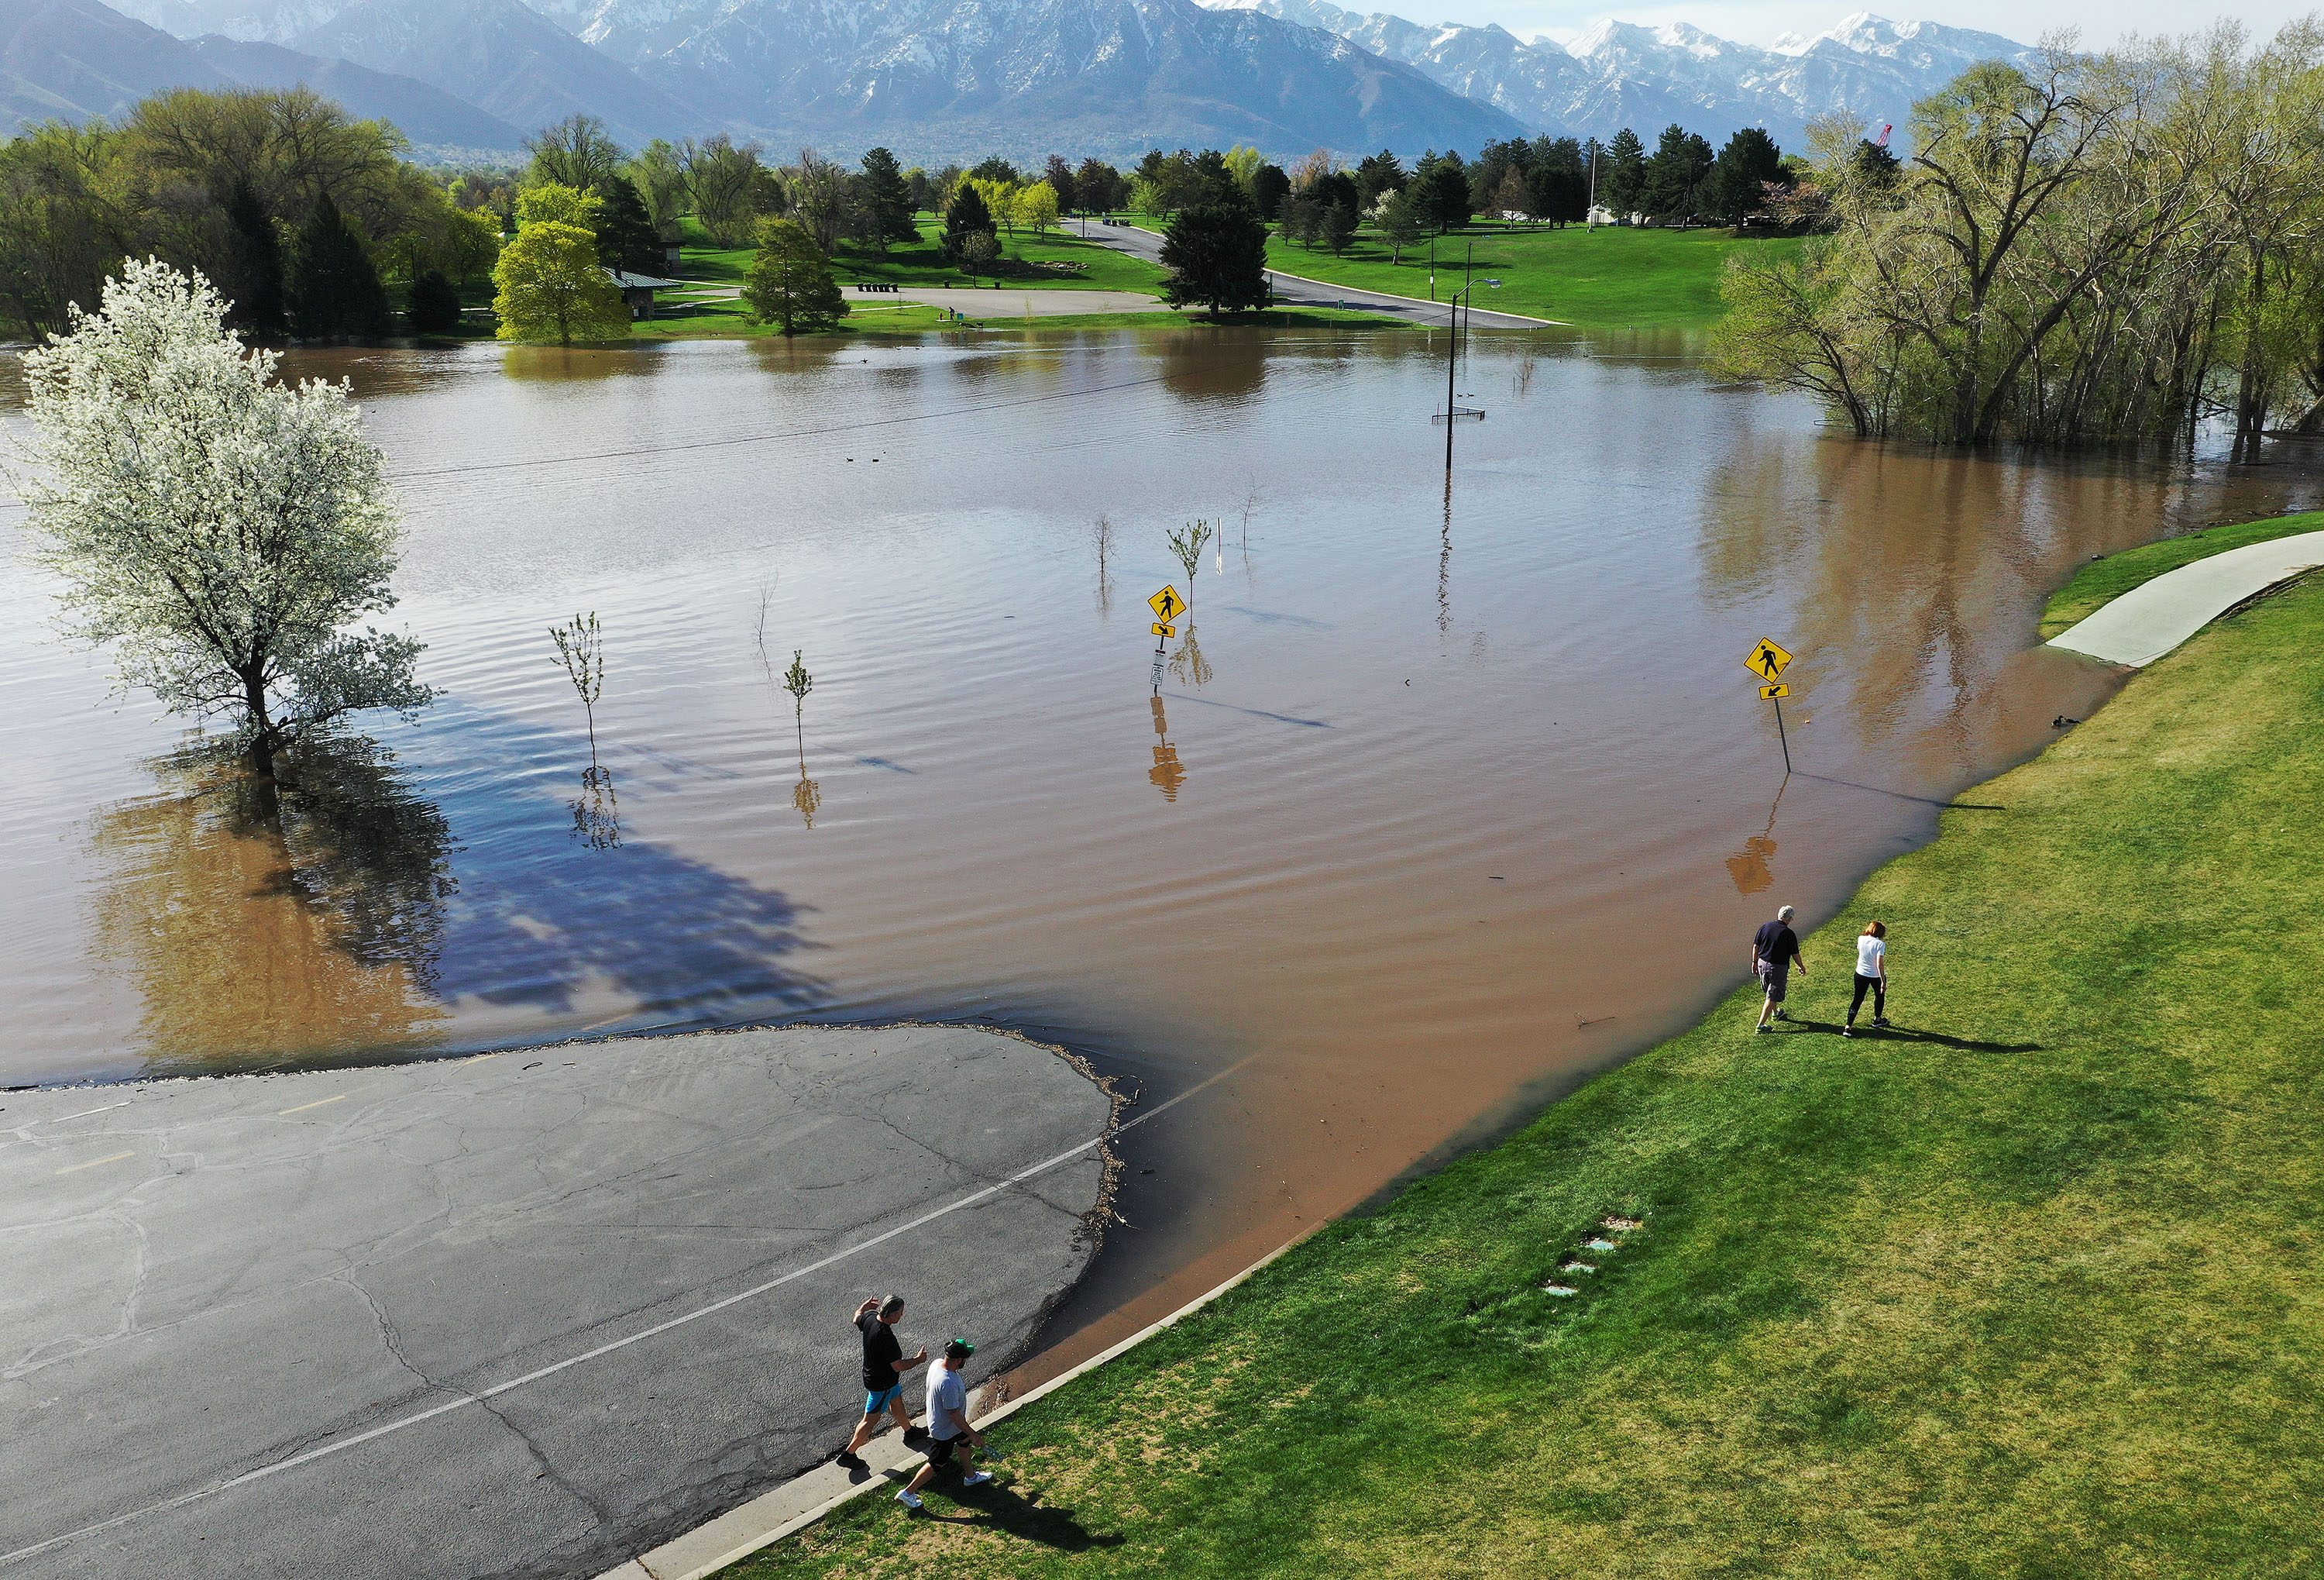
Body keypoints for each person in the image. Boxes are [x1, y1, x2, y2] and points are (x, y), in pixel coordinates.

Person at [895, 1339, 996, 1509]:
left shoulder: (936, 1364)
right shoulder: (948, 1383)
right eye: (965, 1357)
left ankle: (971, 1477)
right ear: (958, 1360)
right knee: (937, 1463)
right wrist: (974, 1434)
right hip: (945, 1430)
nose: (966, 1360)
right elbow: (955, 1416)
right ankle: (908, 1492)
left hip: (947, 1424)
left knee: (964, 1442)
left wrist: (968, 1435)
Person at [836, 1295, 927, 1473]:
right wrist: (918, 1360)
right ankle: (848, 1455)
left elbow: (856, 1317)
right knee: (871, 1420)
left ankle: (910, 1433)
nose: (902, 1316)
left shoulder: (870, 1317)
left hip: (885, 1381)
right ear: (892, 1315)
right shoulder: (886, 1337)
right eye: (900, 1313)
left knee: (897, 1400)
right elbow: (898, 1366)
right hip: (880, 1385)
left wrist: (864, 1306)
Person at [1752, 904, 1807, 1032]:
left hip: (1762, 964)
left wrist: (1754, 962)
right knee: (1772, 997)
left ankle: (1776, 1013)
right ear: (1790, 919)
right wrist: (1802, 967)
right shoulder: (1788, 934)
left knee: (1770, 991)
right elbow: (1795, 955)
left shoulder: (1765, 926)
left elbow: (1756, 946)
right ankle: (1760, 1026)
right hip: (1777, 968)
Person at [1844, 921, 1889, 1038]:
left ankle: (1848, 1027)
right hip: (1875, 975)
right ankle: (1877, 1019)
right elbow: (1879, 964)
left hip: (1860, 973)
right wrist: (1883, 981)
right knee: (1880, 995)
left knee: (1857, 999)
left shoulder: (1861, 939)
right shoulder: (1880, 944)